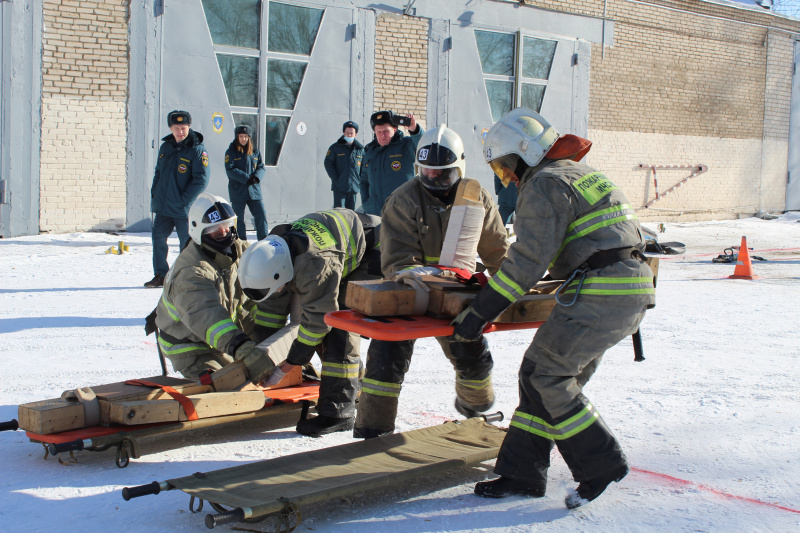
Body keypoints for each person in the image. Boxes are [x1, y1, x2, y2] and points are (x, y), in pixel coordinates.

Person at [451, 108, 655, 508]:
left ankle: (602, 463)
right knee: (536, 374)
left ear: (525, 153)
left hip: (604, 292)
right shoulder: (579, 173)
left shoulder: (544, 183)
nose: (508, 177)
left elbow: (527, 261)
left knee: (549, 374)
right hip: (628, 287)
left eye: (507, 166)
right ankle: (521, 473)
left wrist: (477, 314)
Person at [353, 124, 509, 439]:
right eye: (427, 173)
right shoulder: (403, 199)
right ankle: (372, 431)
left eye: (443, 174)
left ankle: (475, 410)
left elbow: (497, 252)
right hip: (409, 290)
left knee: (473, 353)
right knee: (385, 357)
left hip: (456, 291)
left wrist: (515, 285)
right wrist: (423, 277)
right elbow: (397, 262)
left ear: (460, 168)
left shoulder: (475, 197)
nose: (434, 180)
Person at [238, 209, 382, 437]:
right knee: (315, 320)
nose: (275, 291)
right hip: (338, 249)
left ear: (281, 274)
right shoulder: (273, 253)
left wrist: (287, 366)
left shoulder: (314, 264)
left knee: (339, 327)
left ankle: (339, 413)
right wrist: (261, 359)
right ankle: (356, 383)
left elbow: (318, 322)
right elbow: (270, 309)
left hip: (374, 251)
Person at [153, 192, 277, 383]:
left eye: (227, 225)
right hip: (192, 345)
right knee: (228, 386)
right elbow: (208, 318)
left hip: (227, 337)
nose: (223, 232)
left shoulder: (242, 252)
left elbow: (256, 299)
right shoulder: (191, 272)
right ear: (198, 231)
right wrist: (245, 350)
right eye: (213, 228)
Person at [145, 110, 209, 288]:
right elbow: (158, 172)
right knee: (158, 239)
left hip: (183, 209)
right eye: (176, 128)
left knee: (186, 244)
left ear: (189, 127)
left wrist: (184, 200)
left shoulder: (197, 150)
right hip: (164, 206)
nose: (180, 132)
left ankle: (186, 277)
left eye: (184, 128)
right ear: (171, 128)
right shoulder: (166, 147)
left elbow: (201, 180)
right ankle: (160, 275)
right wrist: (155, 192)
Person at [360, 111, 424, 215]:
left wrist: (415, 130)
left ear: (395, 129)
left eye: (386, 131)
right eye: (378, 132)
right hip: (374, 211)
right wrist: (366, 202)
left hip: (401, 211)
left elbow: (424, 146)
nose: (382, 135)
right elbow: (364, 180)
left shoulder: (406, 145)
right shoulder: (370, 151)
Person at [224, 124, 268, 241]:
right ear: (237, 137)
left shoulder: (254, 151)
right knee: (238, 219)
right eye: (241, 136)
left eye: (245, 136)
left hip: (254, 191)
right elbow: (230, 170)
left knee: (261, 215)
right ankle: (241, 242)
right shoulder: (231, 152)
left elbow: (261, 167)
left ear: (249, 137)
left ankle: (263, 240)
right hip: (238, 191)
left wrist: (256, 178)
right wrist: (246, 178)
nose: (243, 139)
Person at [324, 120, 364, 210]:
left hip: (353, 187)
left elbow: (364, 166)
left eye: (351, 133)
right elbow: (328, 163)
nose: (349, 135)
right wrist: (335, 177)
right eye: (347, 133)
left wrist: (360, 179)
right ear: (343, 133)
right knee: (339, 211)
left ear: (355, 134)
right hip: (339, 186)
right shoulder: (335, 147)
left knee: (350, 213)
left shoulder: (360, 149)